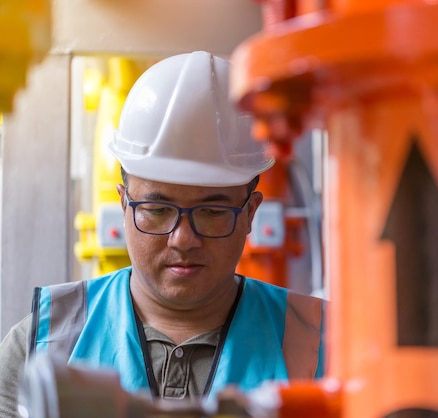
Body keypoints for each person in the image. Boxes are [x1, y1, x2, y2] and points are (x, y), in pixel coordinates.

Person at [0, 51, 325, 416]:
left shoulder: (322, 343)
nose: (183, 239)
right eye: (157, 210)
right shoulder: (41, 343)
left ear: (250, 212)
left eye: (213, 212)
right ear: (124, 204)